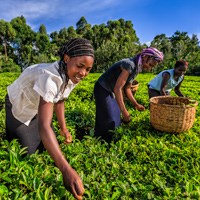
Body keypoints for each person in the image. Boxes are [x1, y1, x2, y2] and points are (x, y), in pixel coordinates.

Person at [5, 38, 94, 200]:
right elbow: (44, 126)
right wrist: (66, 170)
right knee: (27, 154)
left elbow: (60, 100)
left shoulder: (72, 74)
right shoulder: (49, 77)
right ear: (66, 59)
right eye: (80, 66)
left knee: (47, 147)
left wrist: (63, 128)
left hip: (39, 105)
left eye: (88, 69)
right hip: (19, 104)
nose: (83, 73)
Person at [94, 47, 164, 142]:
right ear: (145, 57)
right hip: (102, 88)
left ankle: (110, 140)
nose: (150, 68)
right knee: (108, 119)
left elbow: (127, 88)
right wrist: (124, 111)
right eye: (151, 65)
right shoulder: (129, 64)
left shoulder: (136, 68)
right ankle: (100, 141)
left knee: (116, 118)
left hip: (111, 90)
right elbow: (118, 88)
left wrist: (136, 104)